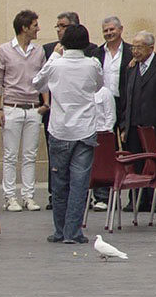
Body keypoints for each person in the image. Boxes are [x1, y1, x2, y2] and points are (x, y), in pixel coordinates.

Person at [31, 24, 104, 244]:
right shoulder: (93, 64)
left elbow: (37, 84)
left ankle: (60, 230)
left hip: (60, 129)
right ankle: (73, 231)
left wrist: (54, 56)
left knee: (60, 182)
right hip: (85, 129)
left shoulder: (56, 64)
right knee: (79, 183)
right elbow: (98, 86)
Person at [0, 9, 46, 213]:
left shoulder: (39, 51)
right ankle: (9, 197)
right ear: (24, 27)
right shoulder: (4, 50)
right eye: (34, 25)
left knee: (30, 155)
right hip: (12, 108)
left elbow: (44, 79)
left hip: (33, 108)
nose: (38, 29)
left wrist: (45, 104)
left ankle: (28, 196)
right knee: (10, 155)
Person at [120, 30, 156, 211]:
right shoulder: (131, 68)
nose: (135, 51)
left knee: (154, 164)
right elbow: (125, 98)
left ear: (151, 48)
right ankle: (136, 200)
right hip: (133, 123)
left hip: (155, 124)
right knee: (135, 163)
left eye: (139, 47)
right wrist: (123, 125)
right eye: (133, 47)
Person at [89, 16, 132, 211]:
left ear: (121, 29)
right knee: (104, 151)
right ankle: (104, 196)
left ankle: (132, 194)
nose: (109, 33)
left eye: (112, 29)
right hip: (102, 104)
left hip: (124, 103)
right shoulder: (96, 53)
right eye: (105, 30)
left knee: (128, 148)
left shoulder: (132, 51)